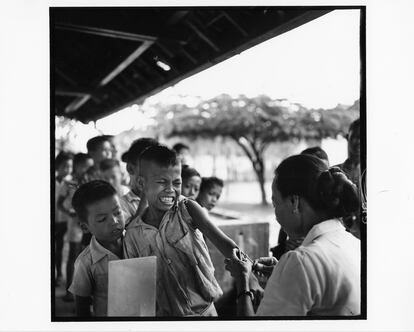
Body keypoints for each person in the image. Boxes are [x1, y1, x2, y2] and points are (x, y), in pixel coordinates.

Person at [123, 145, 261, 316]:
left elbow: (225, 244)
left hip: (204, 312)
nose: (170, 189)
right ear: (142, 184)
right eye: (161, 182)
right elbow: (136, 288)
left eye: (177, 182)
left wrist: (251, 279)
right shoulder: (132, 234)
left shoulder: (187, 209)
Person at [225, 154, 361, 316]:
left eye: (275, 203)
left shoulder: (300, 262)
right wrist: (282, 278)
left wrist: (243, 282)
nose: (276, 215)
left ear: (294, 202)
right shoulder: (354, 244)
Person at [68, 180, 125, 317]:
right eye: (102, 219)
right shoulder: (85, 262)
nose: (114, 221)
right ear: (85, 227)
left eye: (117, 212)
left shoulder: (137, 241)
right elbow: (82, 307)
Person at [271, 146, 330, 259]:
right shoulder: (345, 239)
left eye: (275, 204)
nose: (276, 218)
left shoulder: (300, 259)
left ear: (294, 202)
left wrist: (244, 276)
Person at [57, 153, 93, 301]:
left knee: (89, 258)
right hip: (76, 224)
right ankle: (69, 292)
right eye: (87, 166)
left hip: (91, 224)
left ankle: (86, 293)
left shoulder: (93, 181)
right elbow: (59, 203)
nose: (89, 169)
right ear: (78, 166)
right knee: (73, 255)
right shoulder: (70, 183)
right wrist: (69, 213)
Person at [120, 137, 159, 226]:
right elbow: (129, 235)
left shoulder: (167, 197)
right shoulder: (121, 205)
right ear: (130, 168)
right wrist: (145, 198)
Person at [335, 118, 362, 238]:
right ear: (347, 137)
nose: (359, 141)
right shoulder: (333, 173)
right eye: (356, 136)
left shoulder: (376, 176)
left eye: (364, 136)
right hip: (339, 241)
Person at [54, 151, 73, 283]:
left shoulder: (71, 183)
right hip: (54, 220)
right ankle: (58, 273)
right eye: (64, 166)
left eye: (70, 167)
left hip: (67, 220)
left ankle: (61, 274)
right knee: (56, 247)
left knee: (64, 247)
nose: (67, 170)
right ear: (57, 167)